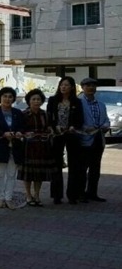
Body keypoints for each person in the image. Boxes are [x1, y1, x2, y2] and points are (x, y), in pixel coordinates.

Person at [46, 76, 84, 205]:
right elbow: (49, 117)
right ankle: (57, 195)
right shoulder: (53, 100)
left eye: (66, 85)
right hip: (57, 135)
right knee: (56, 165)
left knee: (74, 165)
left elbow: (80, 119)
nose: (63, 87)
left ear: (72, 87)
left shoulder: (77, 102)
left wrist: (74, 126)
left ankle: (73, 195)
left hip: (72, 135)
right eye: (62, 85)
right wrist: (54, 125)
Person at [0, 87, 25, 210]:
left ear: (13, 99)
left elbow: (22, 127)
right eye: (5, 96)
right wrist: (3, 133)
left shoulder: (18, 113)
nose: (7, 99)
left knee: (11, 174)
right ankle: (0, 198)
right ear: (0, 97)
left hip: (15, 147)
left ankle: (9, 198)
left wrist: (19, 132)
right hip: (0, 146)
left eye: (10, 97)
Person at [19, 89, 54, 207]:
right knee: (28, 174)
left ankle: (37, 195)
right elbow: (20, 130)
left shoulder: (46, 114)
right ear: (29, 101)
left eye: (38, 99)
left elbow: (49, 127)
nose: (36, 101)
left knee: (39, 173)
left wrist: (50, 130)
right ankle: (28, 195)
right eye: (33, 99)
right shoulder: (23, 114)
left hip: (43, 147)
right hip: (28, 147)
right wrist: (24, 134)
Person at [78, 78, 110, 202]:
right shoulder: (79, 103)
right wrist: (86, 128)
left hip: (98, 139)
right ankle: (81, 193)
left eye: (93, 86)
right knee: (82, 168)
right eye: (88, 85)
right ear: (82, 87)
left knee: (95, 169)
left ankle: (92, 192)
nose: (91, 88)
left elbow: (106, 119)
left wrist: (106, 125)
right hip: (84, 139)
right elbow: (77, 121)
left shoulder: (101, 104)